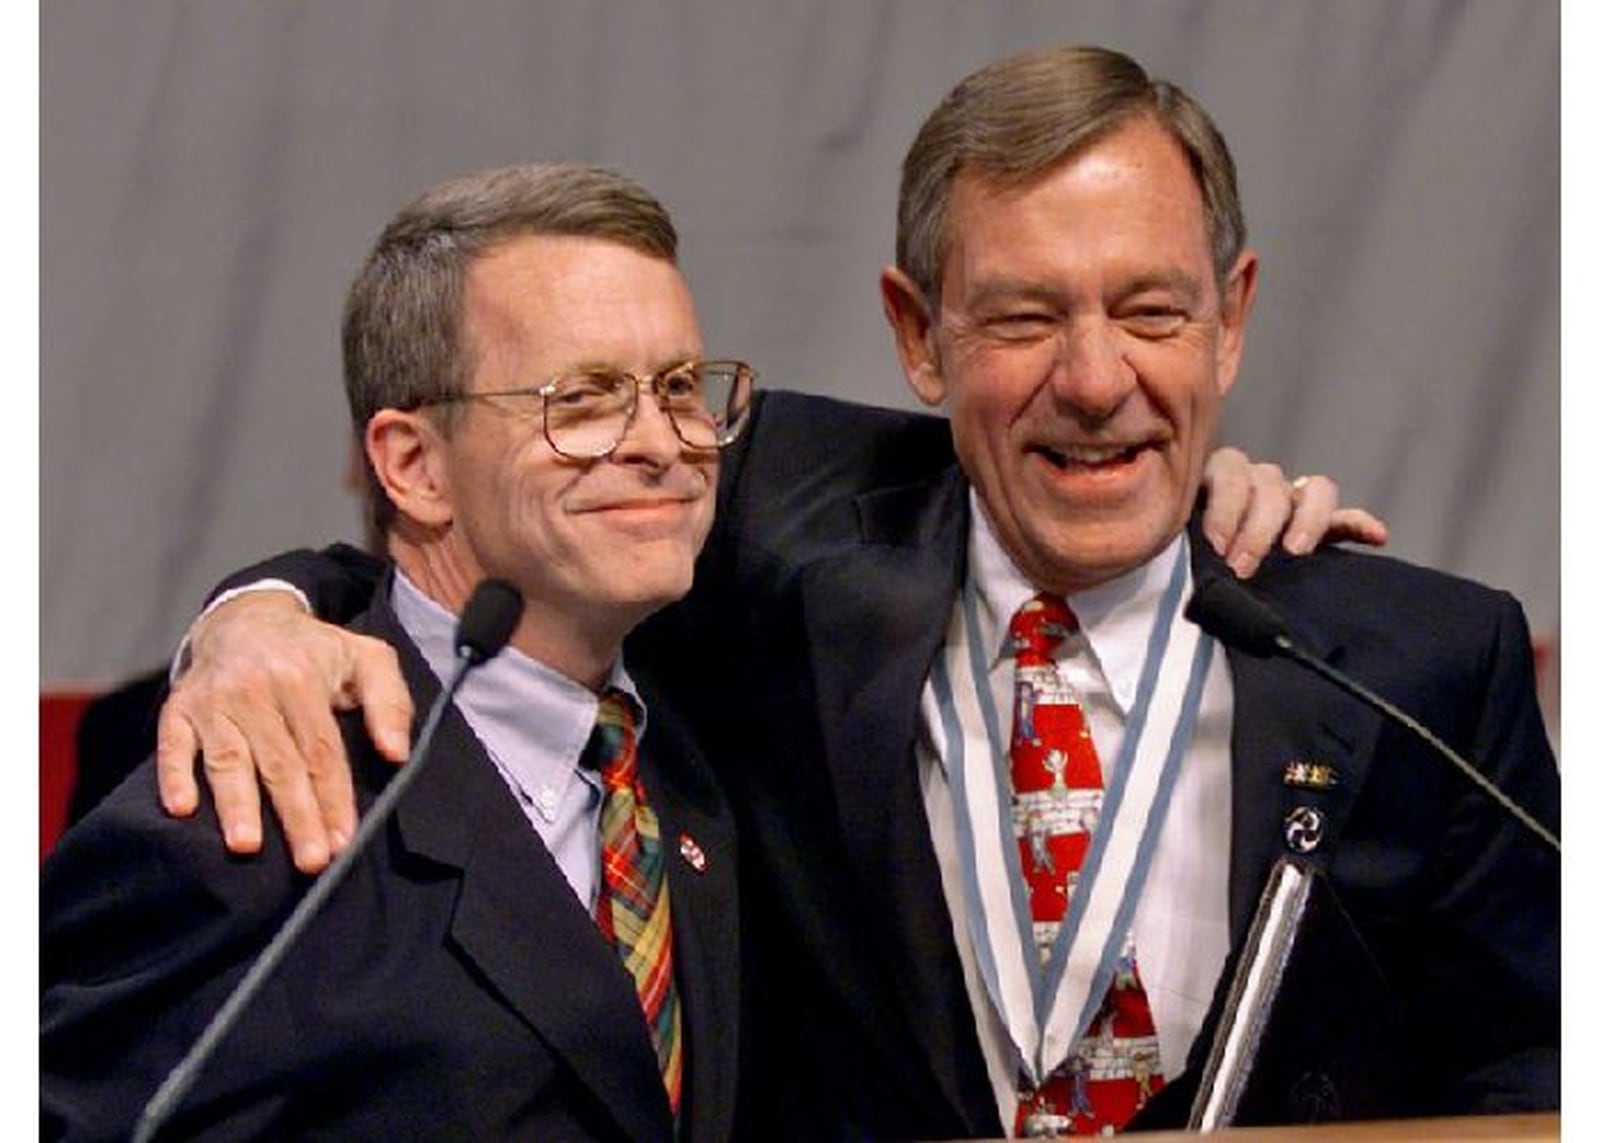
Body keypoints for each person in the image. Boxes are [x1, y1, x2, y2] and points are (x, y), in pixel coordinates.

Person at [157, 43, 1557, 1138]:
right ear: (917, 332)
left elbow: (1540, 1063)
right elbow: (479, 534)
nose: (1094, 378)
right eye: (1022, 314)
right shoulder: (753, 518)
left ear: (1232, 314)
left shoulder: (1415, 663)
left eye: (1151, 311)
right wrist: (256, 617)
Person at [42, 163, 745, 1141]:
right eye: (582, 400)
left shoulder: (714, 742)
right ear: (413, 466)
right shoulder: (240, 826)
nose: (663, 442)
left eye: (677, 386)